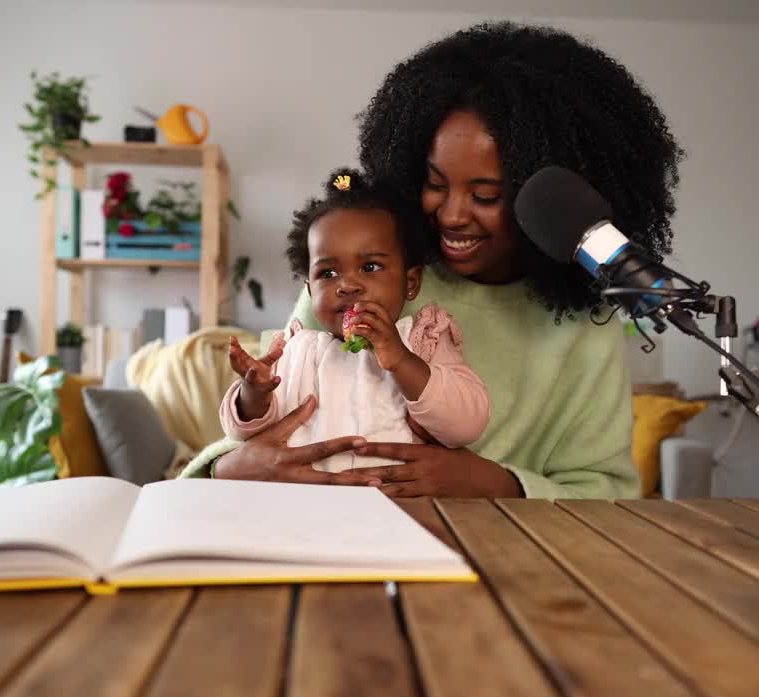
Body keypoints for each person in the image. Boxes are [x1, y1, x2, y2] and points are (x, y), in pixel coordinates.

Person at [183, 21, 684, 498]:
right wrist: (230, 467)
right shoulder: (365, 276)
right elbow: (260, 437)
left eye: (486, 195)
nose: (451, 214)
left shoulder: (582, 326)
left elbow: (605, 493)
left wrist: (494, 483)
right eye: (434, 184)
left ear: (547, 198)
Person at [219, 168, 491, 472]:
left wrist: (402, 360)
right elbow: (243, 434)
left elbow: (467, 426)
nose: (347, 285)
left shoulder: (423, 339)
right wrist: (253, 395)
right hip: (306, 504)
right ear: (310, 291)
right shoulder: (297, 351)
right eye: (328, 273)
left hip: (396, 506)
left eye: (370, 266)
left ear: (410, 282)